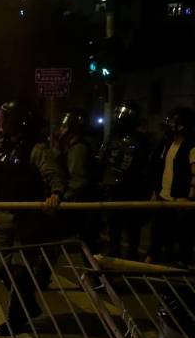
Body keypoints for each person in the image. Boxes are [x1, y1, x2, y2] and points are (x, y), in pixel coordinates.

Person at [0, 100, 65, 337]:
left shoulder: (35, 150)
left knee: (23, 271)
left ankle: (15, 320)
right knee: (0, 267)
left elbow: (52, 174)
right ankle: (28, 306)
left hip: (28, 220)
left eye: (5, 118)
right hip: (1, 219)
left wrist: (55, 194)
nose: (0, 122)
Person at [98, 103, 151, 260]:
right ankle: (115, 251)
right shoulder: (113, 138)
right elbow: (103, 158)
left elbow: (144, 166)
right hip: (113, 189)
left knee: (132, 226)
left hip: (132, 188)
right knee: (115, 225)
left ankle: (132, 255)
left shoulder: (140, 140)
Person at [147, 106, 195, 267]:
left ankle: (182, 265)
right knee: (158, 230)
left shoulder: (191, 146)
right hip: (164, 196)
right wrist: (156, 191)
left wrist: (189, 198)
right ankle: (154, 257)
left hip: (180, 199)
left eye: (174, 122)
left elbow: (194, 175)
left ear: (182, 125)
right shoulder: (167, 143)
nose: (170, 125)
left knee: (183, 235)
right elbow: (160, 169)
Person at [53, 109, 100, 249]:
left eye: (64, 127)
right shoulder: (71, 147)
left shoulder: (78, 149)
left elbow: (77, 179)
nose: (61, 130)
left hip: (83, 203)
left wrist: (63, 198)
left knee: (87, 246)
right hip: (81, 202)